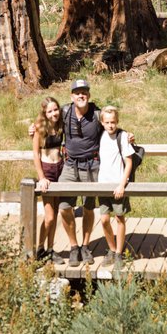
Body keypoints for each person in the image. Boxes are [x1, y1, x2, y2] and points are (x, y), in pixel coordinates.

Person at [56, 79, 104, 267]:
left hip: (91, 166)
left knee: (88, 207)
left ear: (89, 95)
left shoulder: (97, 115)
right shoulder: (65, 112)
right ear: (71, 96)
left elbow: (112, 126)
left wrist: (128, 135)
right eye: (77, 92)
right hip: (69, 165)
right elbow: (47, 124)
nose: (81, 95)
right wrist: (34, 129)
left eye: (84, 92)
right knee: (64, 206)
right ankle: (73, 246)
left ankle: (85, 245)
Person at [97, 105, 135, 271]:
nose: (110, 125)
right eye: (107, 122)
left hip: (118, 184)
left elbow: (129, 162)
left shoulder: (122, 136)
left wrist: (122, 184)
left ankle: (119, 252)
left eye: (113, 122)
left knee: (119, 218)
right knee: (104, 219)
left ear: (117, 122)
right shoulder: (101, 135)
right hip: (103, 184)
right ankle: (111, 249)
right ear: (102, 123)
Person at [32, 95, 64, 261]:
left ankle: (51, 249)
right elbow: (36, 154)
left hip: (60, 168)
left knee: (56, 212)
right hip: (47, 170)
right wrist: (41, 177)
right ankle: (40, 248)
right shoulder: (39, 127)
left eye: (55, 109)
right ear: (44, 113)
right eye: (50, 111)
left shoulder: (60, 124)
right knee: (49, 216)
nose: (54, 113)